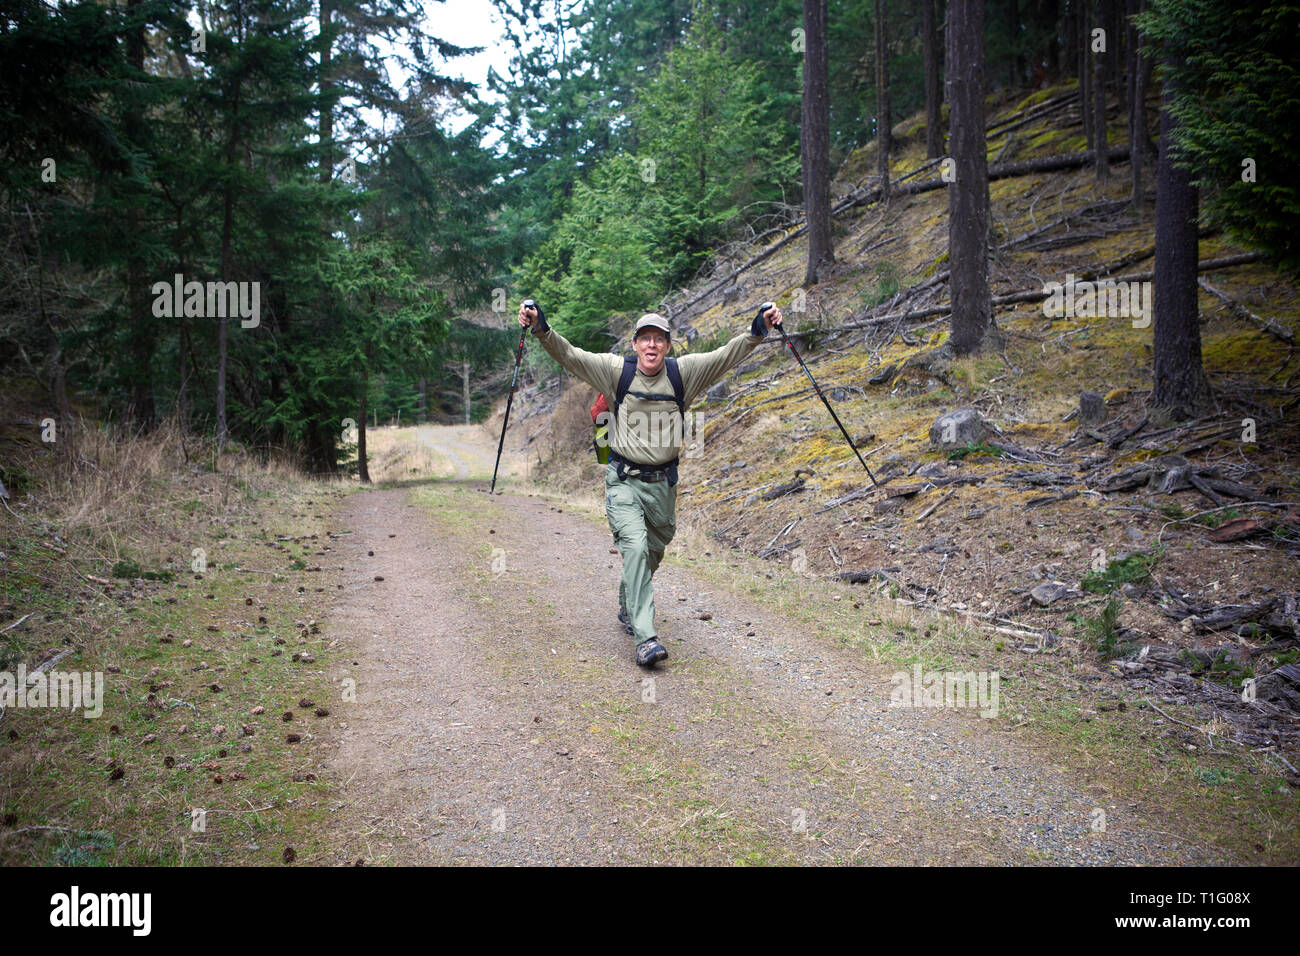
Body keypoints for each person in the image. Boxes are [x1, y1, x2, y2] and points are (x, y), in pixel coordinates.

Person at [518, 299, 784, 667]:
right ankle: (646, 638)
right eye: (645, 339)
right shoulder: (615, 371)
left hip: (663, 485)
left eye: (659, 339)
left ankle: (628, 605)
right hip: (623, 481)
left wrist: (758, 329)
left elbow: (726, 355)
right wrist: (542, 328)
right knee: (635, 548)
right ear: (635, 344)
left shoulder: (683, 373)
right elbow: (571, 356)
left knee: (654, 549)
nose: (652, 346)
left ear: (668, 345)